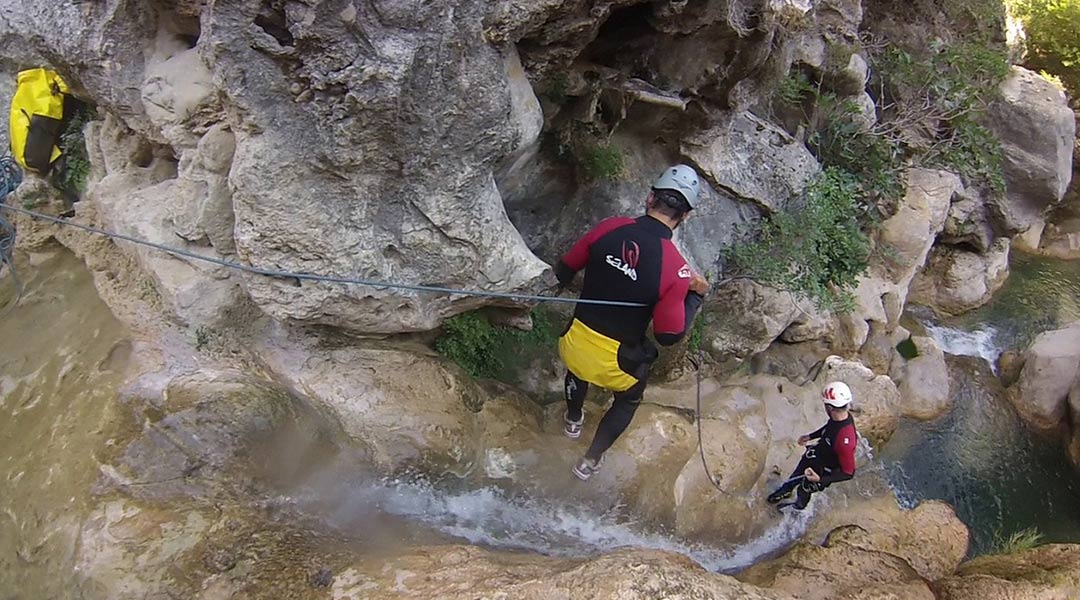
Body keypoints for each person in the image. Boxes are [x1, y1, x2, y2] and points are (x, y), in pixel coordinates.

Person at [553, 164, 710, 480]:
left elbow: (564, 269)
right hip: (615, 365)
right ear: (687, 216)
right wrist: (695, 296)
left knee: (579, 361)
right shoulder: (677, 270)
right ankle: (590, 460)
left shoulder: (609, 227)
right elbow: (668, 335)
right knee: (628, 399)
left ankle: (572, 419)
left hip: (574, 342)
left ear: (650, 198)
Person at [767, 381, 858, 510]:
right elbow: (829, 428)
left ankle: (797, 507)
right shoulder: (840, 417)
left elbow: (848, 473)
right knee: (798, 472)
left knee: (804, 489)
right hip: (817, 454)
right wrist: (810, 436)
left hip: (825, 470)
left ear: (830, 408)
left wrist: (820, 479)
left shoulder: (845, 441)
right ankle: (786, 490)